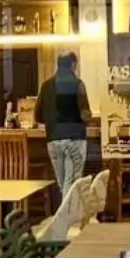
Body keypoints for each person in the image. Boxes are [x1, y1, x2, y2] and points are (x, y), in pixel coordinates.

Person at [35, 52, 91, 197]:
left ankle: (65, 216)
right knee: (72, 185)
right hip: (73, 139)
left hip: (53, 141)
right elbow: (85, 115)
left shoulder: (46, 86)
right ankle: (68, 218)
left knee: (63, 186)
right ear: (73, 65)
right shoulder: (78, 84)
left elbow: (38, 116)